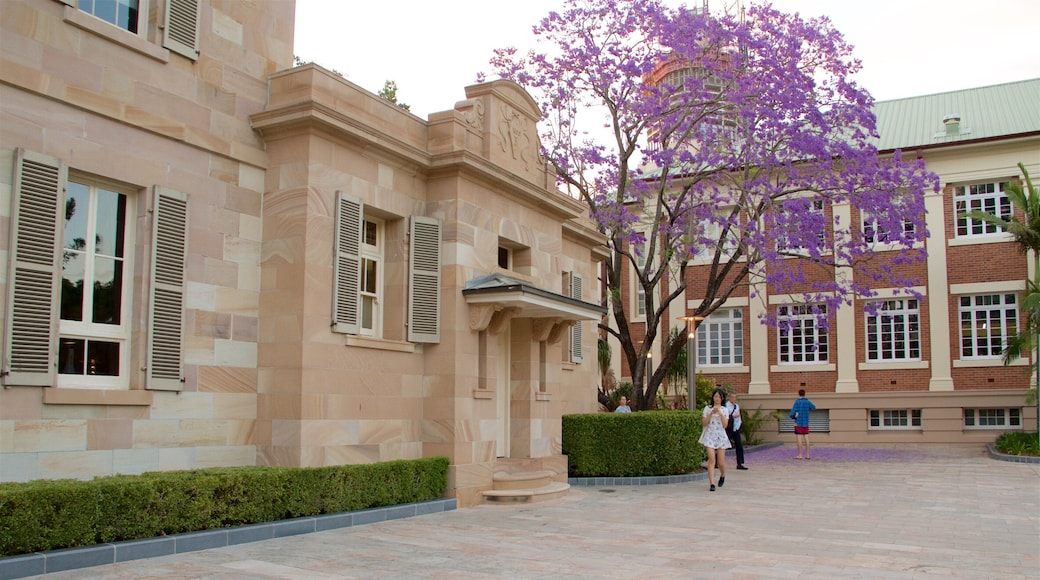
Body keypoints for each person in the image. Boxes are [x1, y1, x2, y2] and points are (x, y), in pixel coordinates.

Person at [698, 387, 731, 491]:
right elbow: (704, 423)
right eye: (716, 396)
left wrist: (720, 414)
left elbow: (725, 425)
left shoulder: (725, 410)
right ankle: (712, 483)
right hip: (710, 435)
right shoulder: (707, 408)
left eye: (719, 397)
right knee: (712, 459)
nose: (717, 399)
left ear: (722, 399)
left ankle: (722, 474)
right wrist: (710, 414)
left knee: (721, 462)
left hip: (720, 436)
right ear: (713, 397)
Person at [789, 389, 817, 460]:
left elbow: (792, 413)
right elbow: (814, 408)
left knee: (799, 438)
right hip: (806, 422)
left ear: (798, 394)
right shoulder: (808, 402)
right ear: (804, 394)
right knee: (807, 438)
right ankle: (807, 455)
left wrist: (793, 416)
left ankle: (800, 455)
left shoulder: (797, 402)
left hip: (798, 423)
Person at [725, 392, 747, 470]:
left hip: (736, 428)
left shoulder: (736, 406)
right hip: (728, 428)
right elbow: (726, 416)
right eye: (732, 397)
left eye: (735, 397)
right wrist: (733, 416)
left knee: (739, 445)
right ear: (729, 398)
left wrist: (739, 425)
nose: (734, 399)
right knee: (722, 444)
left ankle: (740, 463)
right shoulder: (726, 406)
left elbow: (739, 416)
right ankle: (717, 461)